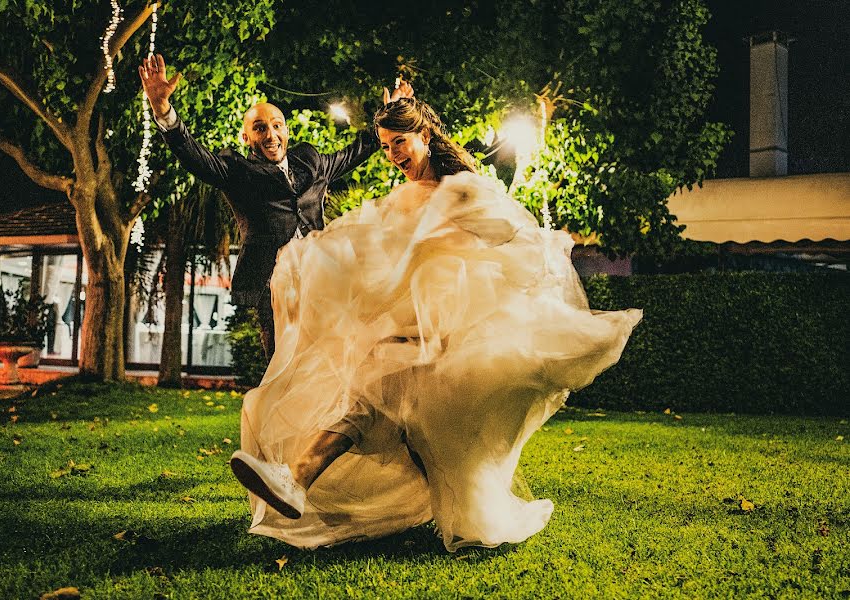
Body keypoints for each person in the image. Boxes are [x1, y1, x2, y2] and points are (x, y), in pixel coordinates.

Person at [230, 97, 643, 552]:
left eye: (400, 143)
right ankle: (304, 481)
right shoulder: (404, 196)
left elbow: (509, 236)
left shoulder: (461, 189)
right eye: (386, 147)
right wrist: (306, 264)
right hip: (407, 331)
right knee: (384, 411)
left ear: (425, 136)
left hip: (448, 335)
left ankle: (303, 480)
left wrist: (531, 245)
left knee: (387, 410)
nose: (393, 155)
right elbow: (368, 248)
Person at [138, 53, 414, 359]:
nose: (271, 135)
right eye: (260, 128)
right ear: (246, 136)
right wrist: (163, 110)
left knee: (331, 363)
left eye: (276, 125)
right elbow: (193, 154)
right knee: (284, 367)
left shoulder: (310, 161)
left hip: (322, 279)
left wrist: (390, 113)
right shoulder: (236, 171)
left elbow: (357, 151)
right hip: (272, 287)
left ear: (286, 131)